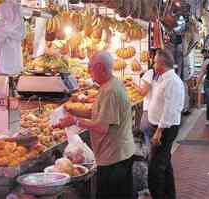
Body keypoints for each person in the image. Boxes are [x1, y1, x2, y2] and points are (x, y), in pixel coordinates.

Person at [56, 51, 135, 199]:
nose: (88, 71)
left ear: (100, 67)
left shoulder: (110, 91)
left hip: (114, 158)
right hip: (119, 154)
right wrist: (74, 111)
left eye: (90, 67)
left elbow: (102, 127)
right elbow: (98, 113)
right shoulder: (110, 85)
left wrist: (75, 121)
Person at [147, 49, 185, 199]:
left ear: (162, 63)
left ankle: (159, 195)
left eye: (155, 61)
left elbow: (170, 109)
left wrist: (159, 131)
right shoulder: (163, 79)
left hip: (164, 129)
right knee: (165, 165)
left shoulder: (172, 81)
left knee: (155, 169)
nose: (153, 64)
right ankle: (169, 195)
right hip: (161, 127)